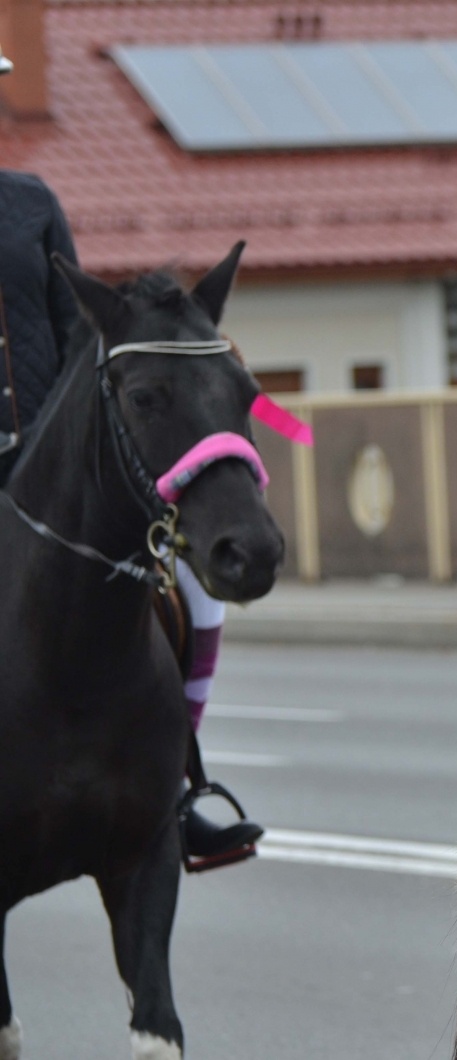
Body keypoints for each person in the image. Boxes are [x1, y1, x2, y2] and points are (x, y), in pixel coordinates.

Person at [0, 54, 261, 866]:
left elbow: (81, 334)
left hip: (45, 460)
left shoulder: (31, 202)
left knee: (186, 585)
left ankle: (176, 789)